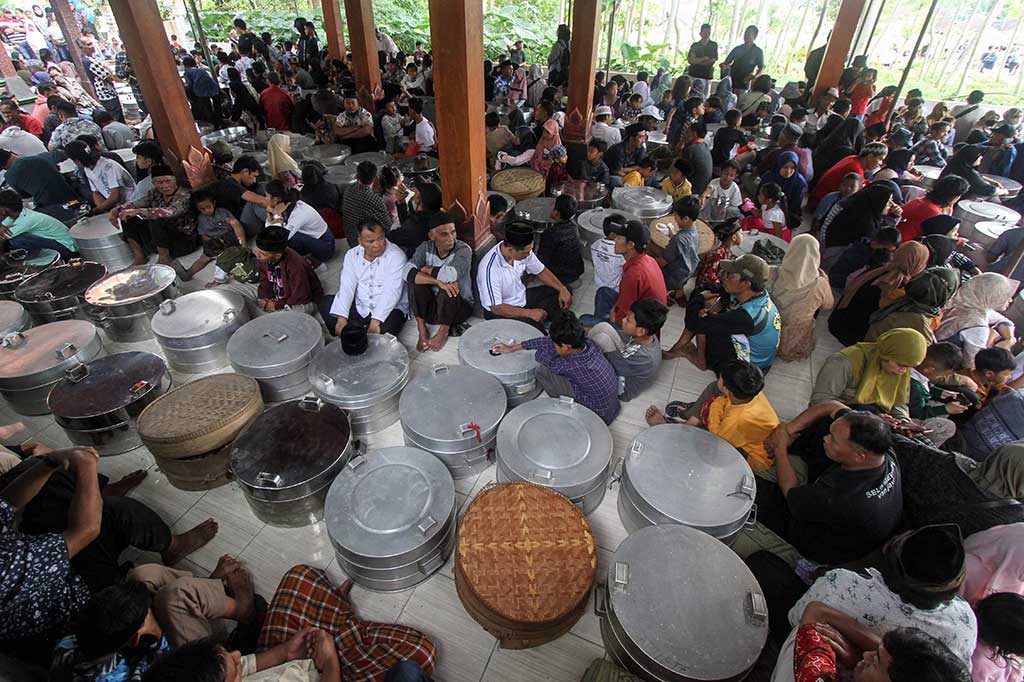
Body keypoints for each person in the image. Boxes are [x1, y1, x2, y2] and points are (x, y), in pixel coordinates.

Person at [0, 444, 218, 658]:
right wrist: (86, 466)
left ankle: (98, 492)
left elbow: (7, 502)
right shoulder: (6, 570)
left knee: (56, 479)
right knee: (116, 512)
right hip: (70, 612)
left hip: (44, 572)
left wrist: (50, 461)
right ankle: (172, 547)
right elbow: (86, 531)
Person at [141, 564, 436, 682]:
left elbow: (243, 664)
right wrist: (331, 662)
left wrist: (284, 652)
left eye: (226, 654)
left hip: (297, 668)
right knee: (414, 662)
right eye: (232, 667)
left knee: (299, 576)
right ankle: (344, 627)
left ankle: (340, 621)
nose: (235, 655)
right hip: (327, 675)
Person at [51, 555, 261, 679]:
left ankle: (207, 585)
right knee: (174, 599)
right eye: (147, 613)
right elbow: (171, 671)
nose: (150, 609)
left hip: (138, 649)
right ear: (136, 638)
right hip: (186, 668)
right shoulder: (121, 675)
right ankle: (245, 612)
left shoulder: (75, 641)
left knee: (141, 577)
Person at [647, 359, 780, 473]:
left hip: (750, 455)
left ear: (728, 390)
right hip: (740, 432)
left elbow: (718, 439)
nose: (718, 377)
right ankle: (692, 420)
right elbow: (727, 401)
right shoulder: (751, 391)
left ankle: (677, 429)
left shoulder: (737, 420)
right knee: (714, 388)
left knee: (705, 443)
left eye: (720, 377)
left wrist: (715, 407)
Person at [493, 311, 620, 424]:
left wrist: (548, 350)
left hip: (596, 416)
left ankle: (562, 406)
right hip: (612, 408)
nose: (552, 345)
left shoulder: (569, 366)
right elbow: (547, 342)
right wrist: (513, 348)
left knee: (542, 370)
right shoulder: (589, 344)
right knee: (553, 355)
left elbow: (540, 356)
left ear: (566, 347)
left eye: (555, 345)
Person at [672, 253, 781, 373]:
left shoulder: (746, 316)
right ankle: (679, 346)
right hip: (757, 356)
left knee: (703, 318)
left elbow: (693, 323)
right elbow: (710, 287)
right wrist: (700, 294)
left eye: (730, 275)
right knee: (711, 307)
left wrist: (699, 299)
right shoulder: (756, 293)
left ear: (746, 284)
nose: (725, 278)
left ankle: (701, 360)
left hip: (747, 371)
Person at [812, 327, 928, 421]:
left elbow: (899, 404)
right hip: (838, 420)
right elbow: (821, 402)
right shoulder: (844, 362)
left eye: (909, 367)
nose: (903, 371)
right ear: (887, 355)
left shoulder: (901, 368)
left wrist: (903, 422)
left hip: (874, 420)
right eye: (901, 365)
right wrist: (868, 419)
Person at [477, 221, 573, 333]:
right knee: (536, 333)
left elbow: (541, 271)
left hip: (521, 298)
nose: (529, 254)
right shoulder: (489, 269)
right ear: (511, 250)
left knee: (564, 291)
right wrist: (529, 313)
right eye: (526, 252)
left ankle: (544, 319)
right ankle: (538, 320)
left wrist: (562, 289)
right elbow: (496, 308)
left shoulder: (523, 253)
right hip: (502, 312)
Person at [324, 220, 408, 337]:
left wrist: (375, 322)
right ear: (360, 241)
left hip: (388, 308)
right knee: (326, 305)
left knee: (386, 331)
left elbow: (391, 293)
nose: (377, 244)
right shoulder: (352, 255)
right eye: (370, 241)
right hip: (361, 305)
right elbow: (347, 286)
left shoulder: (396, 256)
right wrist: (342, 318)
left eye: (380, 238)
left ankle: (360, 330)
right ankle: (358, 330)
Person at [407, 212, 473, 352]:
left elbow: (450, 274)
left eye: (453, 232)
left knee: (449, 286)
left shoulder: (463, 250)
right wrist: (437, 282)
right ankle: (422, 329)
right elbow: (406, 272)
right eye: (444, 234)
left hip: (459, 307)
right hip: (432, 309)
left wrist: (427, 269)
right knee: (414, 283)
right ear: (432, 236)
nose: (451, 238)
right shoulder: (425, 247)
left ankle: (443, 331)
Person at [766, 235, 833, 361]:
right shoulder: (820, 284)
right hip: (795, 340)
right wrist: (826, 281)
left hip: (770, 330)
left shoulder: (773, 272)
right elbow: (828, 305)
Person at [587, 297, 667, 402]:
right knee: (604, 327)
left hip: (623, 389)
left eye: (628, 320)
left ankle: (581, 354)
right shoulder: (647, 336)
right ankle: (583, 347)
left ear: (641, 331)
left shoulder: (644, 357)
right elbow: (620, 335)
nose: (623, 320)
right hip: (625, 362)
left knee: (601, 340)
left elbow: (610, 362)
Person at [113, 165, 194, 267]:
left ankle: (165, 258)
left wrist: (140, 211)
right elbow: (138, 203)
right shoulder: (154, 192)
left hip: (183, 241)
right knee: (128, 218)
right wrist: (118, 210)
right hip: (161, 241)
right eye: (160, 183)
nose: (165, 186)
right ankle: (140, 256)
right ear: (154, 183)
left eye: (168, 181)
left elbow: (172, 212)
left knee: (156, 219)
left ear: (175, 181)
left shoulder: (183, 193)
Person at [935, 272, 1019, 368]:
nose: (1010, 300)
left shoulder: (966, 299)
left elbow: (1004, 321)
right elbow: (972, 365)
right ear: (992, 295)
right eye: (1006, 295)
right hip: (940, 364)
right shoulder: (977, 325)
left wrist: (1010, 338)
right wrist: (990, 343)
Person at [819, 181, 900, 268]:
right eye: (889, 201)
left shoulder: (859, 207)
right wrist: (892, 217)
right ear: (879, 202)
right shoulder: (865, 223)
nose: (891, 205)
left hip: (830, 250)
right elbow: (881, 238)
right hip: (836, 258)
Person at [251, 226, 324, 316]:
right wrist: (264, 297)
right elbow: (265, 280)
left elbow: (301, 295)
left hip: (301, 300)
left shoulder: (296, 266)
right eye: (257, 251)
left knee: (294, 314)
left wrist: (277, 305)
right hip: (279, 292)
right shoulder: (263, 259)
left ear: (277, 255)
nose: (257, 255)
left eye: (262, 254)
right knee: (239, 291)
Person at [907, 342, 969, 446]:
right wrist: (945, 409)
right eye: (943, 375)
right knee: (950, 427)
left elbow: (926, 386)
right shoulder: (914, 387)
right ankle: (927, 446)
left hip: (916, 406)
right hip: (911, 416)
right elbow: (917, 413)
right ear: (929, 370)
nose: (943, 377)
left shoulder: (917, 373)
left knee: (942, 408)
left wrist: (941, 392)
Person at [0, 147, 78, 222]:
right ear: (12, 152)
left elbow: (26, 196)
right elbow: (63, 153)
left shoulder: (10, 176)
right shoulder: (43, 156)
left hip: (54, 209)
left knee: (24, 217)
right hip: (73, 198)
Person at [65, 138, 136, 215]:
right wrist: (102, 209)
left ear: (77, 160)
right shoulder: (87, 169)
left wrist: (97, 210)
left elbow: (116, 196)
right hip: (114, 208)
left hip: (131, 205)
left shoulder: (109, 167)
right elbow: (96, 192)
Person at [0, 188, 75, 259]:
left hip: (67, 247)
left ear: (5, 209)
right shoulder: (17, 214)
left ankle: (45, 258)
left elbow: (2, 238)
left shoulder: (27, 220)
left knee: (15, 241)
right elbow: (3, 229)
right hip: (59, 241)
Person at [811, 141, 887, 210]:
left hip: (818, 197)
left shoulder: (853, 159)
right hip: (822, 204)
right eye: (880, 159)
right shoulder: (855, 169)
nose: (880, 163)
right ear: (870, 157)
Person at [896, 175, 969, 242]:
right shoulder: (934, 213)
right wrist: (958, 241)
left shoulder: (921, 200)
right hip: (907, 245)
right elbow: (939, 240)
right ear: (955, 197)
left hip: (898, 238)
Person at [655, 195, 701, 303]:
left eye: (676, 216)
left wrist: (648, 259)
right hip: (688, 271)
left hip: (673, 275)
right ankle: (679, 294)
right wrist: (672, 235)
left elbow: (663, 261)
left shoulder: (678, 239)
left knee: (657, 277)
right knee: (680, 279)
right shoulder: (694, 232)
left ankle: (663, 298)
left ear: (685, 218)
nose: (674, 218)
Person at [342, 161, 393, 248]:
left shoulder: (348, 190)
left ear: (357, 176)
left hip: (351, 240)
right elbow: (388, 226)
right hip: (366, 244)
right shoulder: (374, 199)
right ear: (375, 178)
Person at [536, 194, 584, 286]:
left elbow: (541, 261)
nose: (550, 206)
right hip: (577, 270)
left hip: (560, 276)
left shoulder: (550, 234)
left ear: (556, 213)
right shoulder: (574, 226)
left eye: (553, 205)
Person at [77, 37, 122, 122]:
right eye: (88, 44)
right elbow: (107, 75)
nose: (92, 46)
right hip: (106, 94)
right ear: (82, 47)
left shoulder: (89, 59)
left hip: (106, 93)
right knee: (117, 117)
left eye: (91, 43)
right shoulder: (89, 62)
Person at [939, 145, 1006, 199]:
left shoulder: (956, 165)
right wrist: (1004, 191)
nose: (981, 158)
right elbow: (988, 190)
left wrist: (993, 182)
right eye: (979, 156)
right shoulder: (969, 174)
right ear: (972, 157)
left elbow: (978, 177)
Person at [723, 25, 764, 92]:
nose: (746, 35)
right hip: (731, 81)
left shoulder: (758, 51)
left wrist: (754, 76)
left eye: (749, 34)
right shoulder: (737, 49)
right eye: (745, 33)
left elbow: (761, 68)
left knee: (742, 100)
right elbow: (726, 62)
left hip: (745, 83)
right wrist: (724, 67)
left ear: (754, 36)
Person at [679, 121, 713, 194]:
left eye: (687, 132)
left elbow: (678, 173)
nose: (685, 134)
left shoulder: (690, 150)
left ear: (693, 134)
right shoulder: (704, 146)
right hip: (702, 188)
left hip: (693, 190)